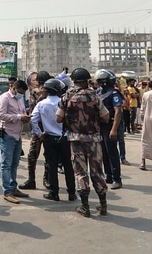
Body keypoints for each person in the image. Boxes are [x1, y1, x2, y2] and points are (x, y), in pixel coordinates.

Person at [57, 68, 109, 217]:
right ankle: (103, 205)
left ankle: (85, 206)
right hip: (94, 140)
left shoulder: (66, 96)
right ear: (86, 81)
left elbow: (58, 118)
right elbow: (105, 116)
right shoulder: (94, 96)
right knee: (97, 171)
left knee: (80, 172)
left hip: (75, 140)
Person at [31, 78, 76, 201]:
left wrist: (39, 134)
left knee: (52, 166)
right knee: (68, 166)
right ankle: (72, 192)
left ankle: (54, 192)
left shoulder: (41, 104)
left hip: (49, 138)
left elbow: (33, 119)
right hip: (65, 137)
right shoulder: (64, 102)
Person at [0, 79, 30, 204]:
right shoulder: (5, 98)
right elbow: (1, 116)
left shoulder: (20, 99)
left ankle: (13, 187)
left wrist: (25, 117)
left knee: (14, 164)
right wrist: (18, 117)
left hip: (17, 135)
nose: (21, 94)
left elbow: (21, 112)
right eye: (20, 92)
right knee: (6, 164)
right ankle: (7, 192)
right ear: (14, 88)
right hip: (7, 135)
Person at [19, 71, 51, 190]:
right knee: (33, 155)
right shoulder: (34, 92)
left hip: (46, 128)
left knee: (46, 155)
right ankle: (33, 180)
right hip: (38, 128)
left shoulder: (46, 91)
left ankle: (46, 178)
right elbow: (33, 109)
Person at [96, 69, 123, 190]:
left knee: (112, 153)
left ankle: (117, 178)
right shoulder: (98, 92)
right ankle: (109, 175)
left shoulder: (114, 93)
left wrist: (114, 129)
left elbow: (118, 111)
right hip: (100, 126)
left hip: (110, 126)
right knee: (103, 153)